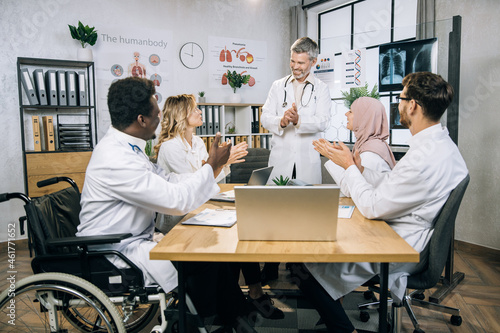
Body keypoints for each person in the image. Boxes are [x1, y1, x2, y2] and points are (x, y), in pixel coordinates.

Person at [291, 72, 468, 332]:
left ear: (413, 105)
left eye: (401, 98)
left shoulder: (423, 158)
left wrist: (350, 167)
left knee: (303, 270)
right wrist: (360, 171)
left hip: (399, 245)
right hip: (409, 235)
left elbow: (373, 206)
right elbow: (393, 184)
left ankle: (344, 329)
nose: (397, 105)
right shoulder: (442, 147)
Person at [76, 77, 256, 331]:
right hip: (114, 254)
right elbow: (175, 200)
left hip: (135, 240)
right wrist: (213, 166)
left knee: (214, 258)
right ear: (142, 120)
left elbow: (169, 179)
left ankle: (227, 317)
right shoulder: (116, 158)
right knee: (205, 260)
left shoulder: (129, 148)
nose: (161, 115)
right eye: (156, 110)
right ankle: (202, 320)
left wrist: (210, 169)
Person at [153, 94, 284, 320]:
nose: (200, 112)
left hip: (199, 210)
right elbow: (194, 183)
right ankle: (239, 300)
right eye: (195, 109)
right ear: (181, 115)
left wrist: (223, 163)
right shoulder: (170, 148)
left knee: (242, 232)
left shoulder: (196, 142)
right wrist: (219, 163)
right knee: (232, 238)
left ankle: (250, 293)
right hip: (179, 219)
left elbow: (210, 179)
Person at [325, 96, 396, 197]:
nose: (346, 114)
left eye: (351, 111)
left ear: (363, 117)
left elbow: (350, 190)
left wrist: (333, 156)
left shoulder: (370, 153)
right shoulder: (367, 144)